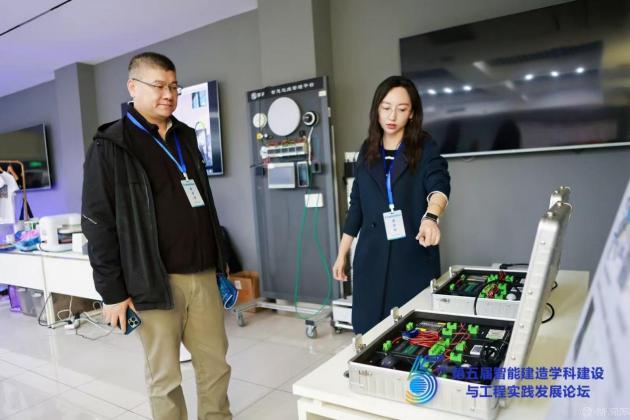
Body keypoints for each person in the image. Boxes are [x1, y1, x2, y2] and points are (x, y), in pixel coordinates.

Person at [81, 52, 231, 420]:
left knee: (216, 367)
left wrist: (221, 266)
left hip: (203, 275)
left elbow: (206, 205)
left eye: (174, 86)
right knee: (165, 378)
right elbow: (98, 223)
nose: (169, 94)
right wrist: (112, 292)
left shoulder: (185, 136)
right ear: (133, 87)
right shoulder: (111, 145)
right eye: (159, 86)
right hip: (153, 281)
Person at [332, 75, 451, 334]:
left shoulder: (424, 146)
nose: (392, 116)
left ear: (412, 113)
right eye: (386, 108)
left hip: (410, 258)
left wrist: (431, 217)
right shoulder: (367, 149)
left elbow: (439, 184)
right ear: (376, 109)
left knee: (413, 334)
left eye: (402, 109)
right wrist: (342, 254)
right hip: (371, 258)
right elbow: (357, 206)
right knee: (368, 332)